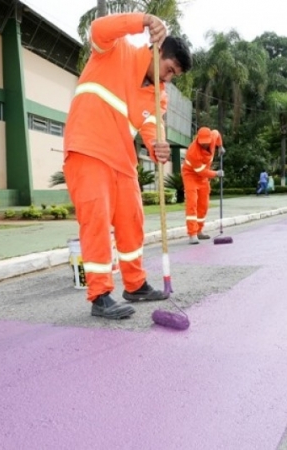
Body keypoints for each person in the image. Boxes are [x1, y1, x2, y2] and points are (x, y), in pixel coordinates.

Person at [63, 13, 192, 320]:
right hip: (88, 148)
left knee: (131, 222)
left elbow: (150, 126)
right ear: (157, 50)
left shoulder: (157, 94)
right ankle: (100, 295)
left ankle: (134, 285)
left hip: (122, 161)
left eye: (174, 76)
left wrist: (157, 145)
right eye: (169, 69)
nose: (168, 79)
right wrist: (143, 20)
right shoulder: (114, 49)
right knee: (95, 221)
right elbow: (98, 29)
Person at [181, 127, 224, 244]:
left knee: (203, 205)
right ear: (198, 139)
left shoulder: (213, 137)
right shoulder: (192, 151)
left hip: (203, 178)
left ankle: (199, 231)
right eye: (202, 143)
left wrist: (220, 146)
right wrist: (216, 173)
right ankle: (192, 234)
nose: (204, 145)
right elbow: (201, 171)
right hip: (191, 176)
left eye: (207, 143)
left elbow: (217, 133)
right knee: (192, 203)